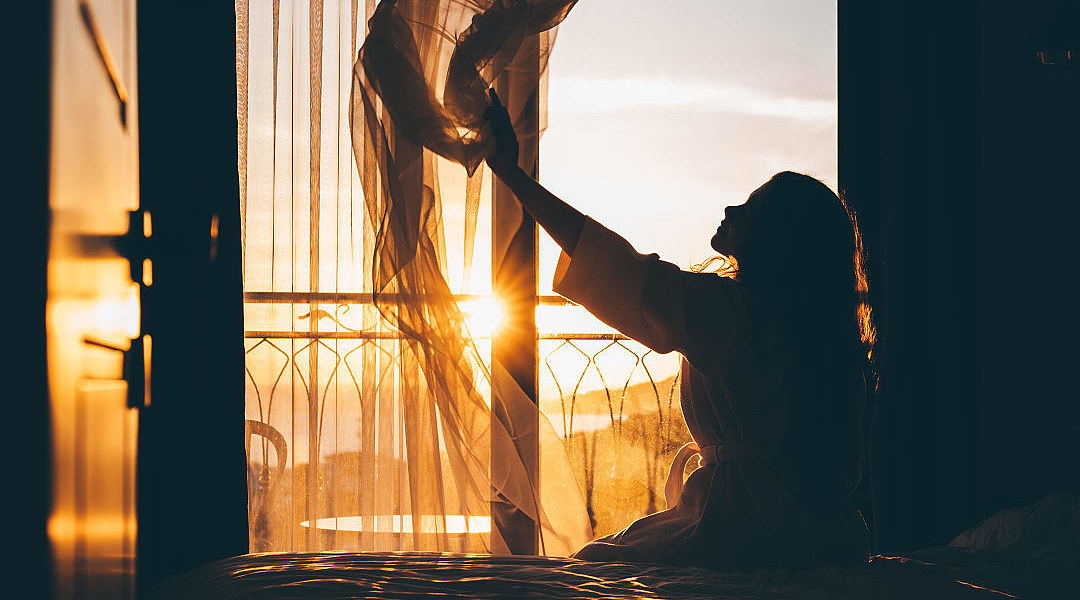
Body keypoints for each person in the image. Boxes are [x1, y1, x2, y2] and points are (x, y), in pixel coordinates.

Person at [482, 90, 875, 570]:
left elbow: (617, 268)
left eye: (749, 209)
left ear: (777, 244)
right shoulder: (820, 338)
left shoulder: (732, 313)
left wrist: (513, 176)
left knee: (596, 566)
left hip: (739, 527)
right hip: (821, 534)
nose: (731, 211)